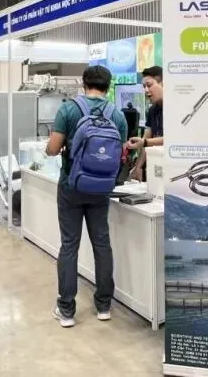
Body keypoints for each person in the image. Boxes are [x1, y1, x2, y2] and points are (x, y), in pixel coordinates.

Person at [45, 65, 128, 328]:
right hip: (101, 189)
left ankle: (66, 310)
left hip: (71, 186)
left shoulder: (68, 109)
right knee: (102, 244)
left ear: (84, 83)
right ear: (108, 86)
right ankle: (104, 306)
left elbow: (52, 149)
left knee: (69, 245)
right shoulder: (117, 115)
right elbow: (120, 155)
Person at [126, 66, 164, 181]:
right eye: (144, 87)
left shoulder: (176, 108)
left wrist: (145, 142)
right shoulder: (152, 110)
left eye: (149, 85)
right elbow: (146, 138)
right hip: (156, 165)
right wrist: (138, 167)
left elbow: (174, 139)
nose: (146, 90)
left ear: (163, 83)